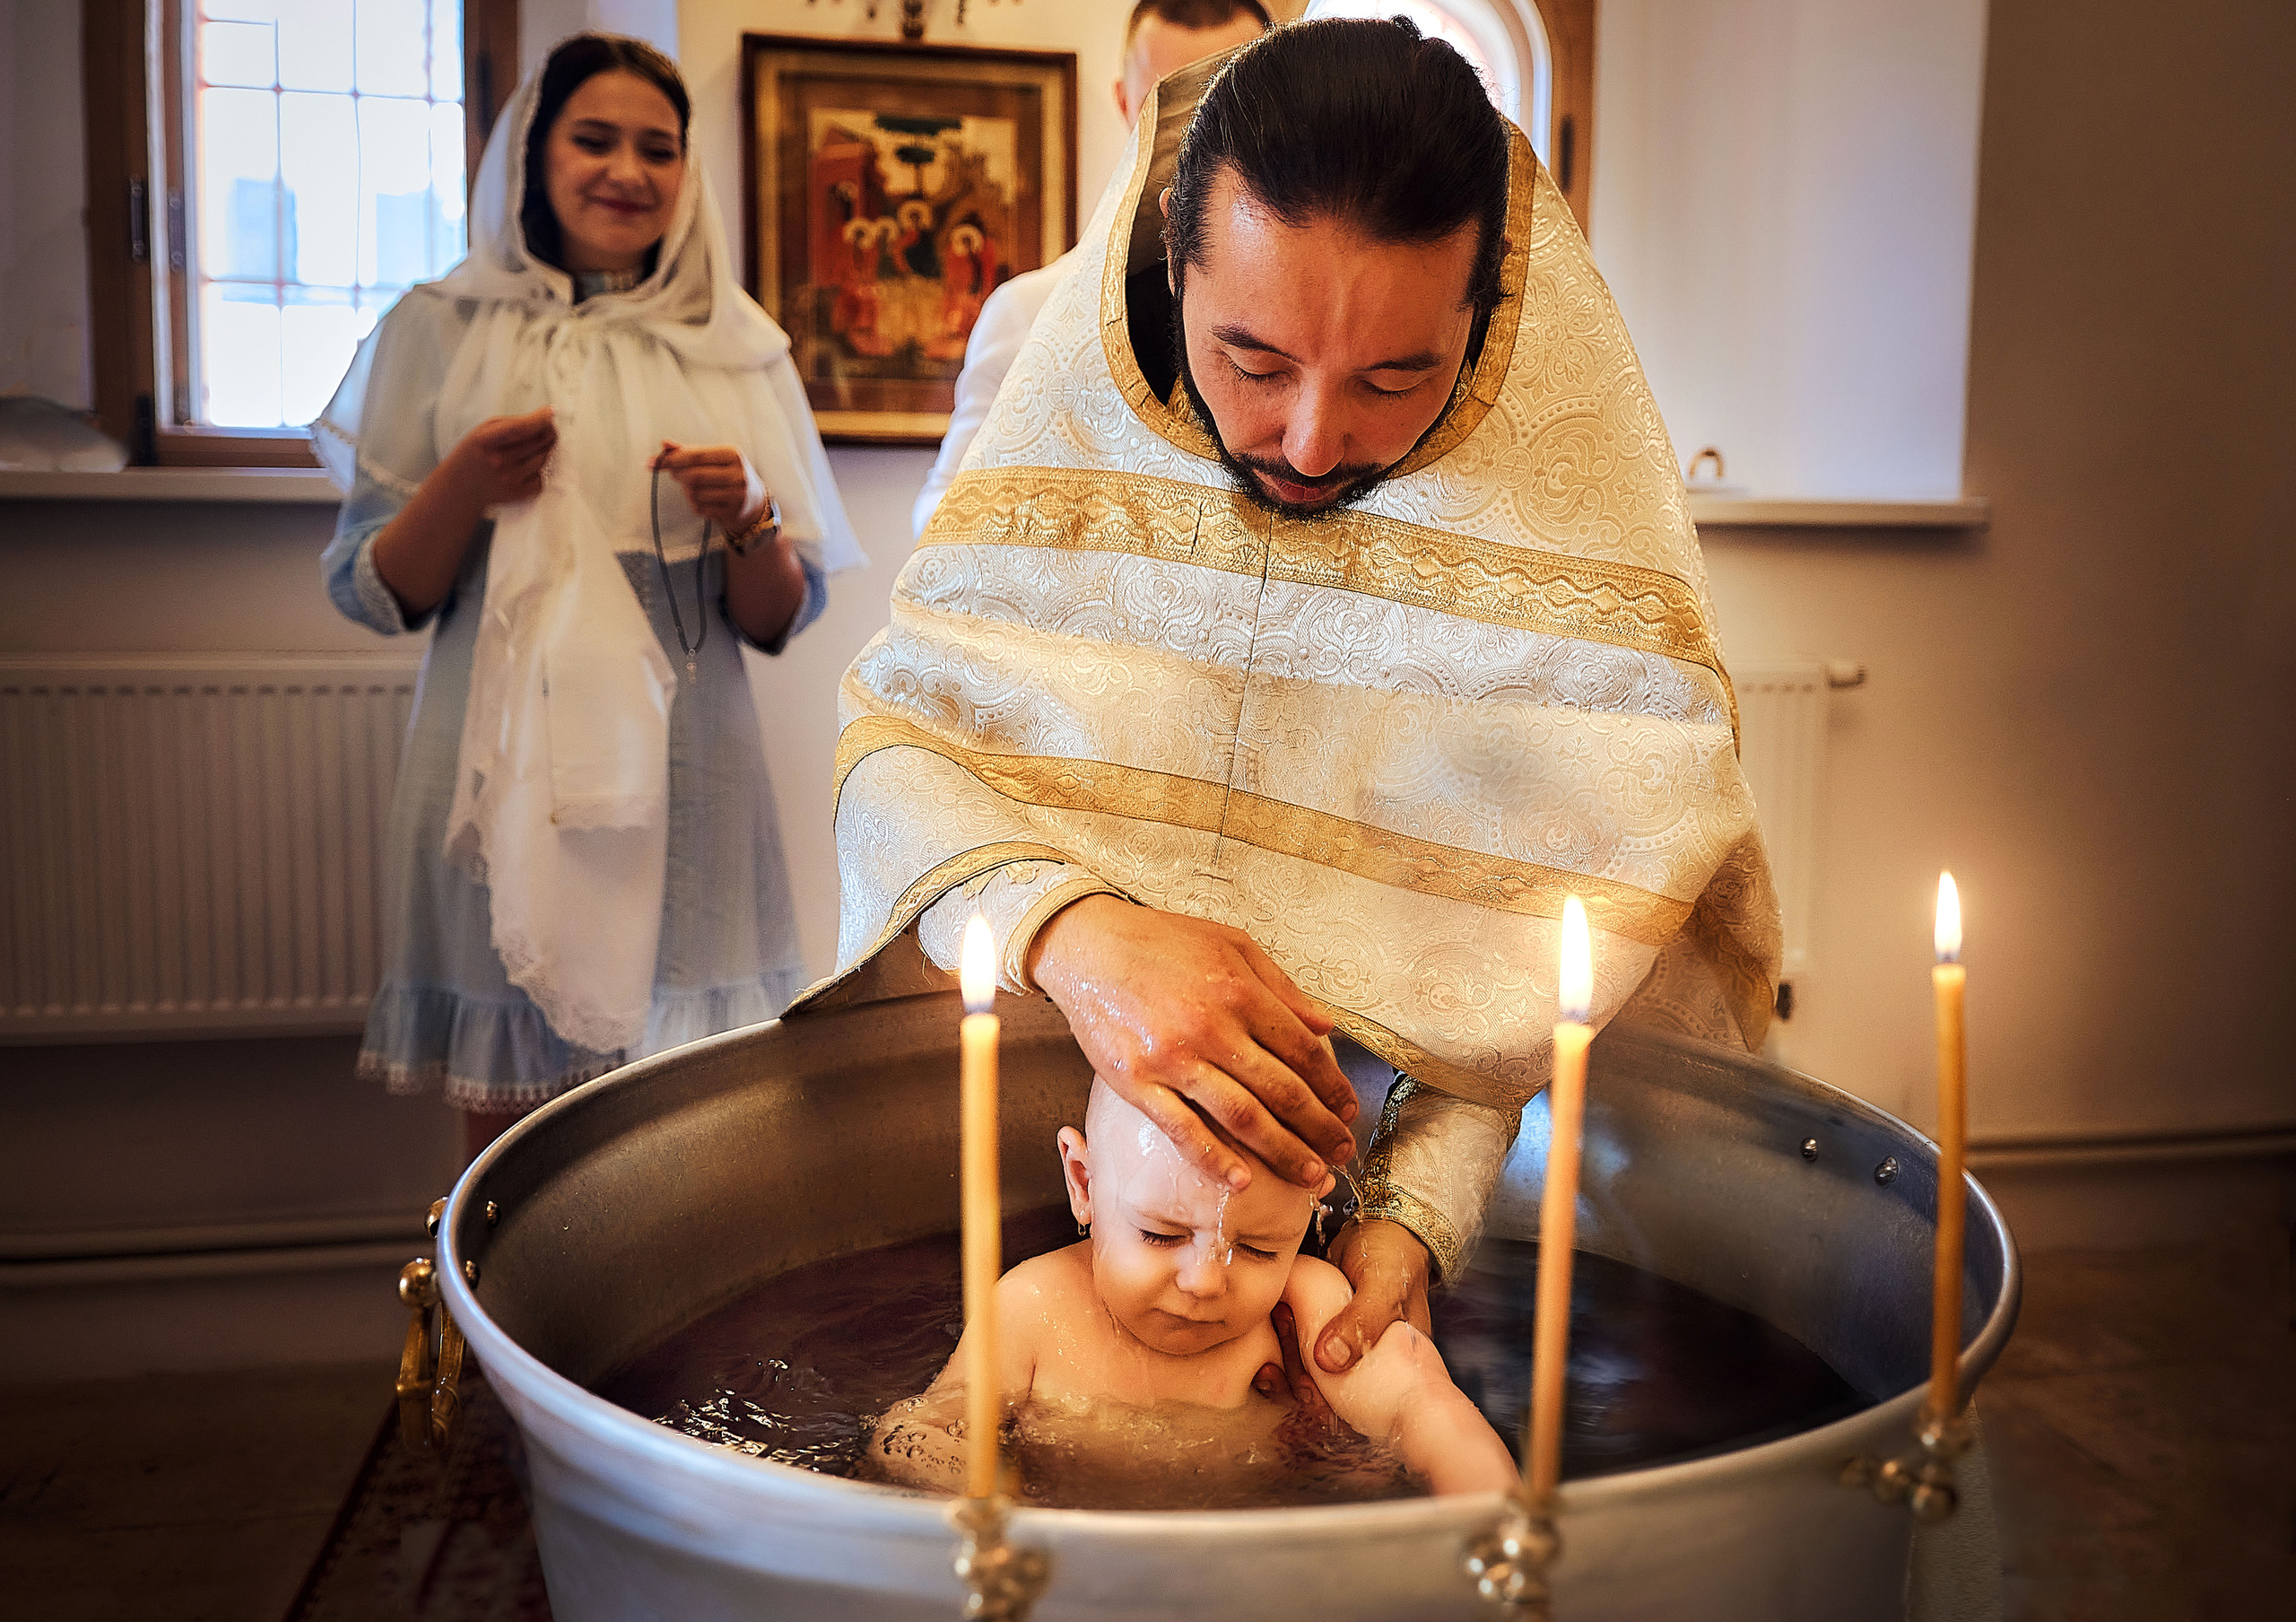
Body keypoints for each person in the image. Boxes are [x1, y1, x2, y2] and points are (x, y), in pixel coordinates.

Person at [814, 18, 1779, 1408]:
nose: (1314, 442)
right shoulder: (1074, 425)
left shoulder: (1553, 528)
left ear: (1489, 319)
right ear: (1174, 254)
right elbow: (898, 756)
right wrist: (1080, 940)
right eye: (1252, 361)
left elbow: (1560, 914)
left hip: (1389, 1210)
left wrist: (1419, 1208)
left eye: (1395, 376)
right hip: (1081, 1180)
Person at [316, 35, 865, 1155]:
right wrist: (465, 481)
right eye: (594, 139)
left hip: (691, 774)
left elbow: (771, 617)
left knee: (689, 1138)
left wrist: (749, 513)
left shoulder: (733, 346)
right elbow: (376, 590)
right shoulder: (439, 326)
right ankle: (496, 1332)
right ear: (531, 156)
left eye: (657, 149)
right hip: (496, 762)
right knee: (510, 1143)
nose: (627, 171)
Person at [862, 1078, 1518, 1504]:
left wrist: (1488, 1513)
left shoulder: (1306, 1302)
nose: (1206, 1282)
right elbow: (923, 1432)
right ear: (1084, 1183)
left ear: (1312, 1213)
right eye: (1160, 1235)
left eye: (1261, 1247)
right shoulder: (1031, 1308)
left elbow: (1424, 1407)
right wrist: (1005, 1506)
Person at [908, 0, 1271, 538]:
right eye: (1170, 107)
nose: (1201, 139)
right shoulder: (1029, 314)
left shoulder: (1316, 320)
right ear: (1126, 102)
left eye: (1225, 108)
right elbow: (939, 521)